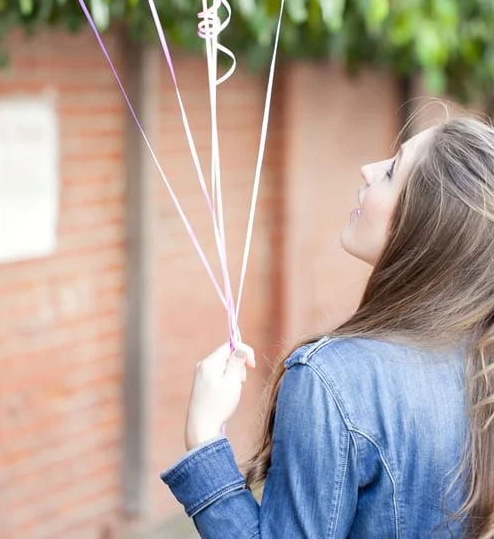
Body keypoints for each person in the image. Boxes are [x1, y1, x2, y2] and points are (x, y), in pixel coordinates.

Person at [161, 116, 494, 538]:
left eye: (392, 171)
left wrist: (205, 440)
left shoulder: (331, 378)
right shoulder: (481, 360)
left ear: (426, 224)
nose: (369, 169)